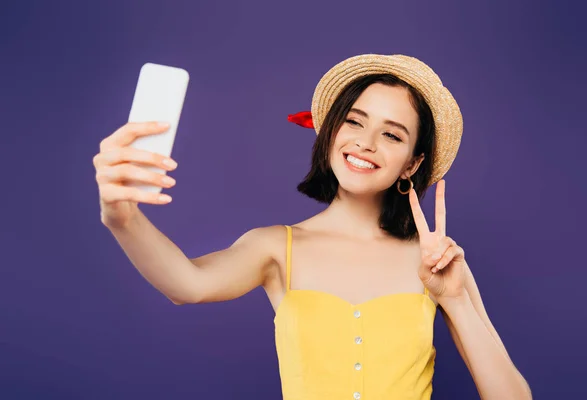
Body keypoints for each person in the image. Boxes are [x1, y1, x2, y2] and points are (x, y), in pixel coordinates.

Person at [94, 54, 532, 400]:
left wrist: (454, 300)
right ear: (330, 132)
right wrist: (123, 216)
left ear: (413, 164)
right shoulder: (275, 247)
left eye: (393, 135)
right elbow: (186, 284)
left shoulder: (438, 263)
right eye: (355, 121)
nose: (365, 142)